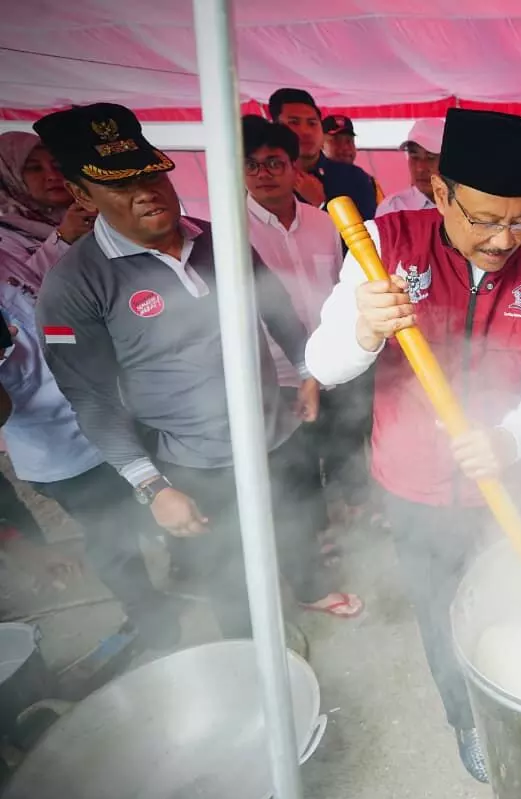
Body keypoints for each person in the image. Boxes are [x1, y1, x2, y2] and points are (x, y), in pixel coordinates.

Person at [305, 107, 521, 784]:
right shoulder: (384, 243)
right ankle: (468, 719)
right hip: (414, 485)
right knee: (443, 612)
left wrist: (512, 437)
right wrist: (365, 330)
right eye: (486, 218)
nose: (503, 238)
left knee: (512, 596)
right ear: (440, 193)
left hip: (505, 476)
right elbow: (324, 359)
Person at [33, 103, 359, 639]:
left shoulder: (216, 237)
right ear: (81, 195)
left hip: (274, 424)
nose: (146, 193)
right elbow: (90, 398)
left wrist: (306, 369)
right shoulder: (74, 286)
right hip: (191, 457)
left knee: (296, 521)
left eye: (150, 174)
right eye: (119, 186)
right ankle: (252, 648)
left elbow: (274, 304)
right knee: (224, 565)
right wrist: (152, 486)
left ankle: (307, 587)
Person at [0, 251, 178, 645]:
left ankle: (187, 573)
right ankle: (152, 621)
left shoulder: (5, 260)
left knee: (153, 503)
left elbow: (45, 321)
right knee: (113, 538)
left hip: (103, 409)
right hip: (63, 451)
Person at [242, 116, 372, 549]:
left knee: (344, 442)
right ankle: (315, 537)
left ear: (295, 168)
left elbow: (344, 285)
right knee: (294, 461)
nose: (264, 174)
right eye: (252, 165)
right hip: (274, 372)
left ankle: (354, 514)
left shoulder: (325, 222)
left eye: (275, 163)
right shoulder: (226, 232)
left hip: (333, 360)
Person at [268, 88, 378, 220]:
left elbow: (367, 237)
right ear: (275, 128)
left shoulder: (354, 178)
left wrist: (322, 205)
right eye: (294, 122)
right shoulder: (261, 178)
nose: (305, 131)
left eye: (312, 123)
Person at [0, 131, 94, 279]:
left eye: (57, 165)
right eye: (34, 168)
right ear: (9, 178)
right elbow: (23, 291)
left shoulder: (95, 210)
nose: (53, 176)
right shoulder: (5, 235)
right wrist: (63, 239)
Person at [376, 119, 445, 215]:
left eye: (430, 157)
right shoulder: (393, 208)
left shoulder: (465, 207)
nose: (420, 168)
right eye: (414, 157)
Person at [322, 113, 385, 205]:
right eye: (336, 141)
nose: (345, 147)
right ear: (321, 144)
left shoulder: (369, 181)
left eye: (349, 141)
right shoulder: (311, 179)